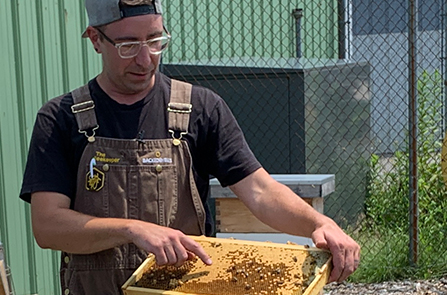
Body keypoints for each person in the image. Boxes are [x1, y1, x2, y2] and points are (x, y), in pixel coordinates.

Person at [19, 0, 360, 294]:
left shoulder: (200, 108)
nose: (144, 59)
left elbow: (258, 190)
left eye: (155, 40)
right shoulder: (61, 118)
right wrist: (132, 229)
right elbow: (48, 227)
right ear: (95, 39)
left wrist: (317, 223)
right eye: (127, 45)